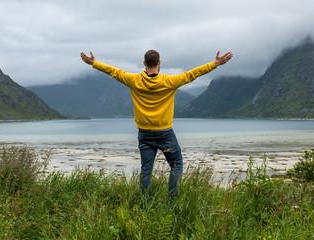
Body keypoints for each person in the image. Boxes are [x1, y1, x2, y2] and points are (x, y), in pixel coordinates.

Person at [80, 49, 232, 204]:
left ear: (145, 64)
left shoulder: (133, 80)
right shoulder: (169, 82)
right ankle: (171, 203)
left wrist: (93, 63)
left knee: (146, 169)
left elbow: (113, 72)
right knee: (176, 165)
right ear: (159, 63)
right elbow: (193, 74)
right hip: (165, 133)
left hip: (144, 133)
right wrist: (216, 64)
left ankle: (145, 206)